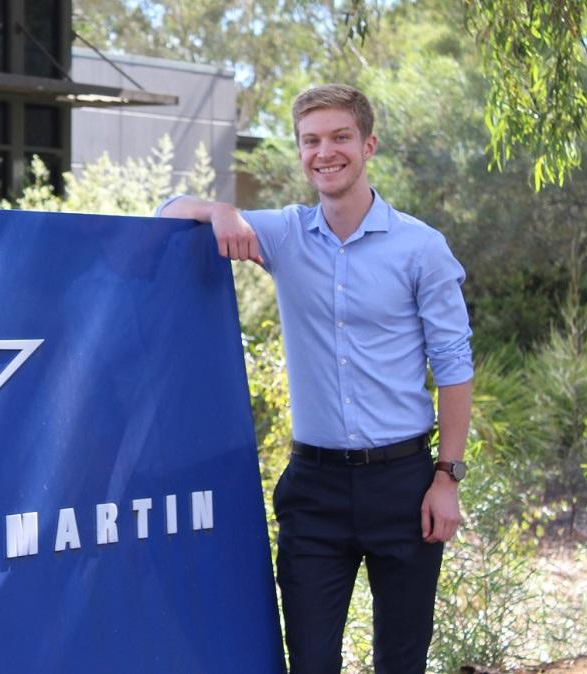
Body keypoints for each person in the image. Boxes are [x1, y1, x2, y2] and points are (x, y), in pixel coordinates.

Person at [158, 84, 473, 674]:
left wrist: (447, 477)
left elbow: (454, 366)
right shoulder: (283, 234)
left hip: (405, 486)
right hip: (314, 491)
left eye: (339, 137)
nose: (324, 152)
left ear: (368, 144)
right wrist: (220, 210)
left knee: (401, 662)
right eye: (311, 141)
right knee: (308, 662)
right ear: (300, 151)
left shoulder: (420, 248)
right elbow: (166, 212)